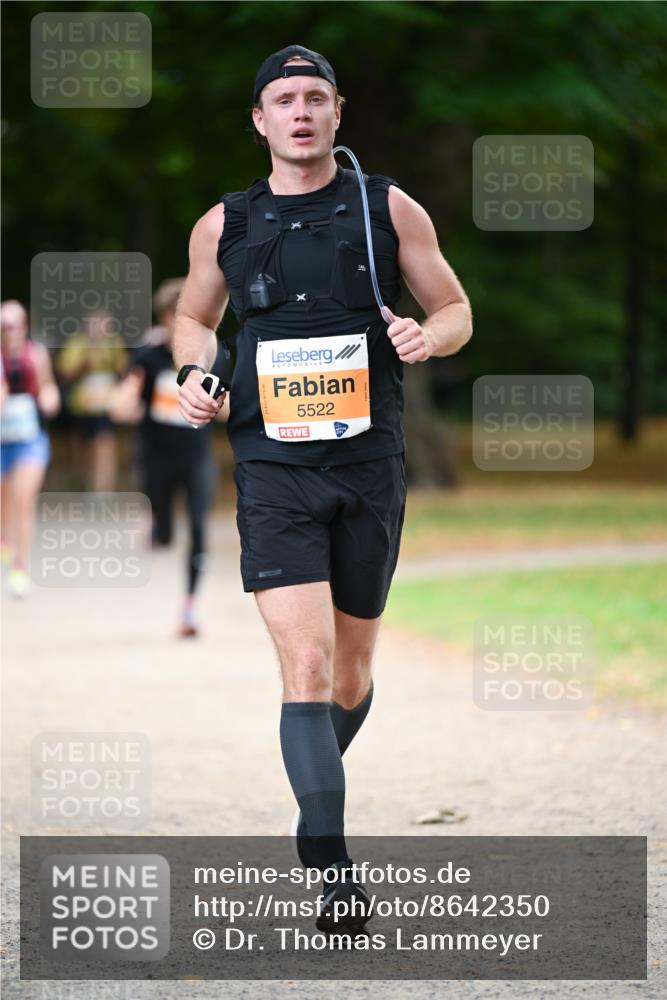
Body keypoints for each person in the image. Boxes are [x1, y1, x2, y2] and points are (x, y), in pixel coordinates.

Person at [174, 45, 472, 933]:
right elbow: (195, 317)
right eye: (282, 100)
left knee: (349, 674)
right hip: (271, 464)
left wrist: (432, 338)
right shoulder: (223, 222)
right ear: (260, 121)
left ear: (337, 113)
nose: (299, 112)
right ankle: (333, 865)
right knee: (302, 665)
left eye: (315, 98)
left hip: (369, 461)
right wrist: (194, 375)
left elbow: (455, 308)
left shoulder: (386, 208)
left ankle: (312, 799)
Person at [110, 278, 229, 638]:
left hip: (195, 457)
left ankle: (189, 608)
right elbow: (119, 406)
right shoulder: (146, 356)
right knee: (164, 534)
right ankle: (155, 525)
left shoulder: (212, 355)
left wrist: (215, 402)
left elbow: (228, 412)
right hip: (155, 459)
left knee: (197, 526)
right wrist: (128, 403)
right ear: (165, 317)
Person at [1, 300, 60, 597]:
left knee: (24, 500)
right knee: (4, 503)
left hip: (29, 439)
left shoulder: (35, 355)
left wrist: (50, 397)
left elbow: (48, 387)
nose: (10, 331)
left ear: (24, 326)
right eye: (4, 326)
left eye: (15, 324)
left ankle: (20, 566)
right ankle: (5, 544)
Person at [54, 310, 126, 492]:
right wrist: (85, 361)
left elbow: (124, 369)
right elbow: (64, 372)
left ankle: (104, 489)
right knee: (85, 448)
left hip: (106, 404)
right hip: (83, 406)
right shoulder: (77, 343)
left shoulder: (113, 343)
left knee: (104, 444)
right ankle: (86, 484)